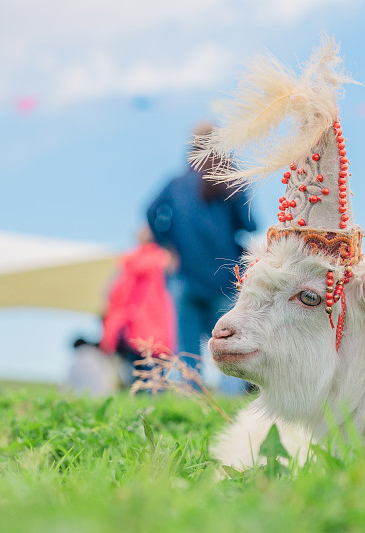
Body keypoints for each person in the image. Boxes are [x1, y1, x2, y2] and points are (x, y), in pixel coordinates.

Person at [146, 123, 257, 394]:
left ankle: (191, 398)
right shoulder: (233, 182)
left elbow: (150, 213)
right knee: (230, 344)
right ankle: (230, 402)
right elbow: (250, 224)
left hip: (184, 276)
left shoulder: (176, 184)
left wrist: (168, 244)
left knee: (187, 347)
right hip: (224, 278)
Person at [100, 226, 177, 367]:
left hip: (132, 329)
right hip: (159, 328)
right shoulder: (164, 260)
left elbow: (115, 297)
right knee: (156, 377)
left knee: (136, 374)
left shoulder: (129, 263)